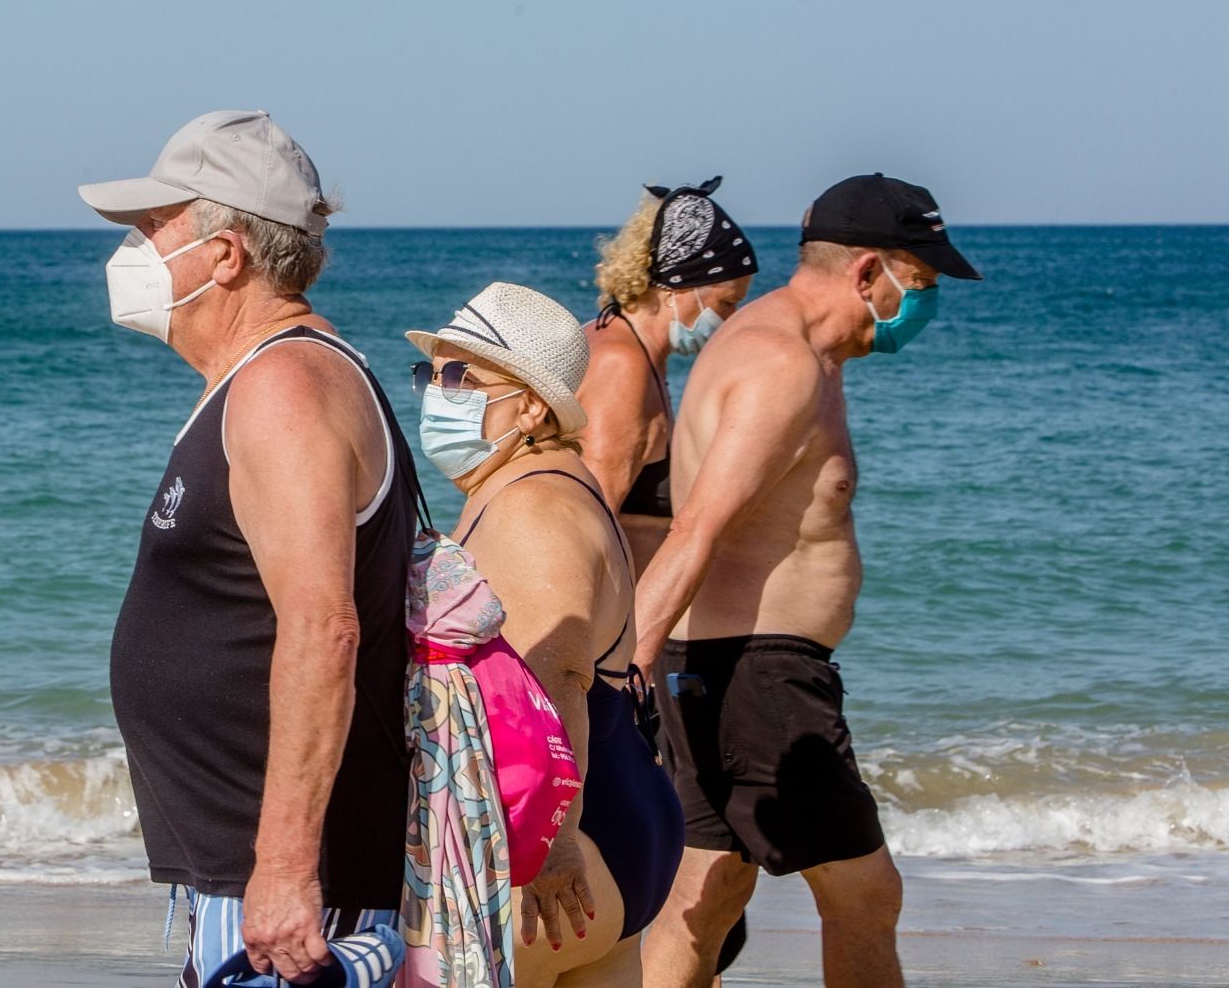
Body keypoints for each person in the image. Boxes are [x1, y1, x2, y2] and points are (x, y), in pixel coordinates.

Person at [81, 110, 419, 987]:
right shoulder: (259, 379)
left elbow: (323, 630)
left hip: (289, 885)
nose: (135, 252)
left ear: (225, 255)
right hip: (240, 870)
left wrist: (285, 869)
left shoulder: (286, 387)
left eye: (154, 230)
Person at [632, 174, 983, 988]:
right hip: (758, 676)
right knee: (866, 893)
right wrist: (618, 684)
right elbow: (696, 530)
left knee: (706, 894)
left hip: (727, 669)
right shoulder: (780, 365)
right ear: (868, 273)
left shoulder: (804, 354)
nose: (921, 310)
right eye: (919, 285)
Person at [404, 282, 684, 988]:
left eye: (461, 376)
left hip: (562, 836)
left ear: (531, 405)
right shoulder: (533, 484)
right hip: (608, 819)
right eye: (431, 372)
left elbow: (554, 679)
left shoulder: (533, 506)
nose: (439, 391)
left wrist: (550, 844)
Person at [578, 178, 756, 579]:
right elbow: (590, 519)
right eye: (727, 302)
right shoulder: (622, 366)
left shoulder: (631, 350)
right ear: (678, 287)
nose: (730, 320)